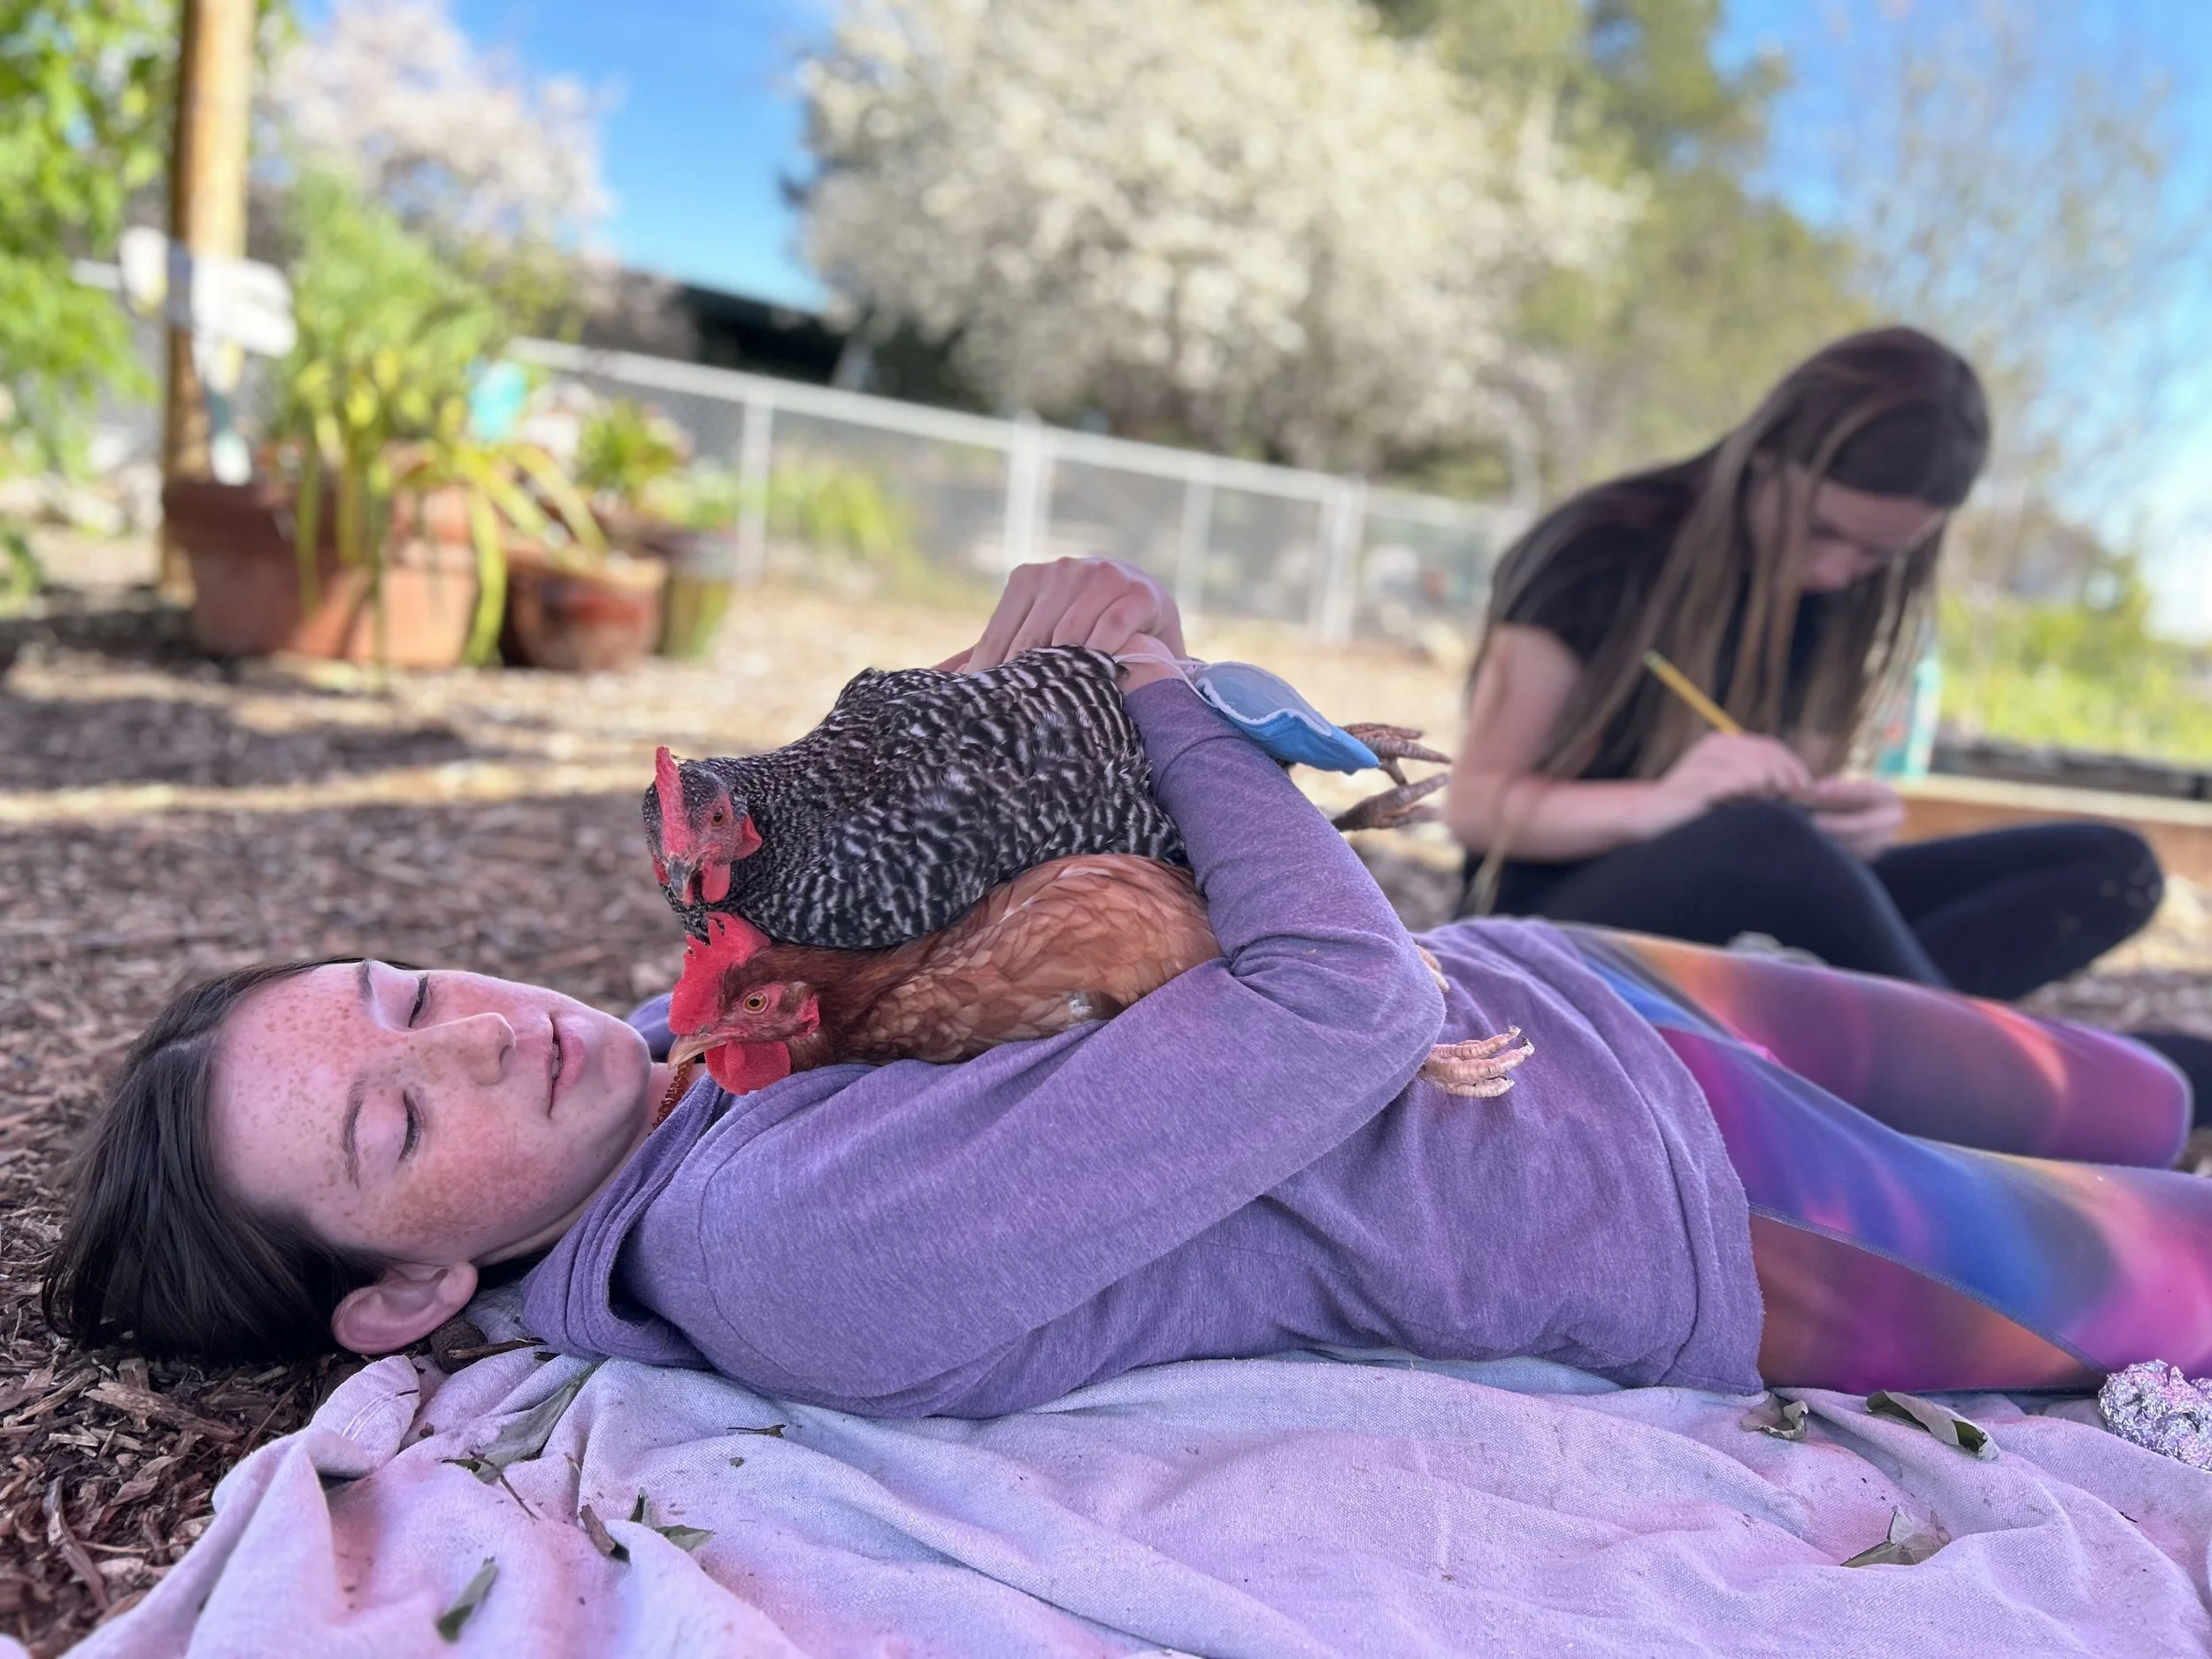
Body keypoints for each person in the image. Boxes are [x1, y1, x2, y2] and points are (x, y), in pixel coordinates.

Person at [42, 560, 2212, 1416]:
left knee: (2147, 1074)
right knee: (2176, 1255)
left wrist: (1048, 691)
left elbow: (1185, 837)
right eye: (397, 1119)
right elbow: (1335, 1009)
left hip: (1574, 982)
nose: (473, 1027)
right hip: (1661, 1206)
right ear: (410, 1293)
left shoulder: (689, 1031)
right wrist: (1160, 689)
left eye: (404, 985)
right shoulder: (782, 1239)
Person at [1443, 326, 2212, 1109]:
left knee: (2111, 867)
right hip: (1539, 930)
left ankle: (1923, 1059)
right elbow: (1477, 806)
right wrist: (1663, 806)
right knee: (1766, 846)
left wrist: (1840, 824)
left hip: (1740, 930)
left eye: (1875, 556)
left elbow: (1785, 838)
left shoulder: (1832, 604)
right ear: (1766, 457)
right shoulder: (1598, 550)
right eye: (1823, 531)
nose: (1836, 571)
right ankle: (1986, 1083)